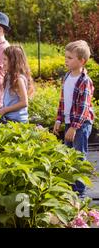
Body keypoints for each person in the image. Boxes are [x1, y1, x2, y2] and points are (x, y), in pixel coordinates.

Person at [53, 40, 95, 198]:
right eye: (66, 57)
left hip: (81, 124)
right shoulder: (67, 77)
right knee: (67, 155)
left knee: (78, 157)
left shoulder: (85, 81)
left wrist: (74, 127)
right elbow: (63, 101)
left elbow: (84, 107)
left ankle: (80, 193)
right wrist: (59, 119)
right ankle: (70, 190)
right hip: (70, 122)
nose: (66, 60)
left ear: (81, 61)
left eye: (70, 58)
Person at [0, 45, 34, 123]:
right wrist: (2, 107)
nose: (3, 62)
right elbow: (13, 101)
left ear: (13, 61)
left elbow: (24, 103)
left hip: (17, 121)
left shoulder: (19, 79)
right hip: (9, 118)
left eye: (5, 59)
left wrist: (5, 110)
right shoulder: (10, 76)